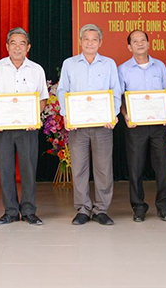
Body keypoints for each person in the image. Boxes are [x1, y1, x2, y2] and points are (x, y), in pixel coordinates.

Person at [57, 24, 121, 226]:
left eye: (94, 39)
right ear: (80, 41)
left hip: (103, 125)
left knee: (104, 169)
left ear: (100, 42)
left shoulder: (109, 64)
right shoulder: (69, 64)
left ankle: (101, 209)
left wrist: (113, 114)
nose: (90, 43)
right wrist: (67, 114)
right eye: (86, 39)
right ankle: (83, 209)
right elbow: (62, 91)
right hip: (78, 125)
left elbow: (116, 91)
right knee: (79, 168)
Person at [0, 27, 49, 226]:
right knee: (5, 170)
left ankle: (29, 211)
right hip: (3, 128)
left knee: (28, 170)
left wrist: (33, 117)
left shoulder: (36, 70)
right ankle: (10, 211)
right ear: (7, 46)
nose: (17, 47)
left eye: (22, 43)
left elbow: (43, 99)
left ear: (28, 47)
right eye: (13, 43)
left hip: (28, 129)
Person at [118, 30, 166, 222]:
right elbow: (120, 98)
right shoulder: (123, 69)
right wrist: (126, 115)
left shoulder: (159, 66)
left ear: (149, 44)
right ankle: (138, 207)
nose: (140, 43)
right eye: (135, 41)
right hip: (136, 126)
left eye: (143, 40)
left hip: (158, 124)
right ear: (129, 47)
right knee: (135, 168)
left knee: (163, 167)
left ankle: (163, 207)